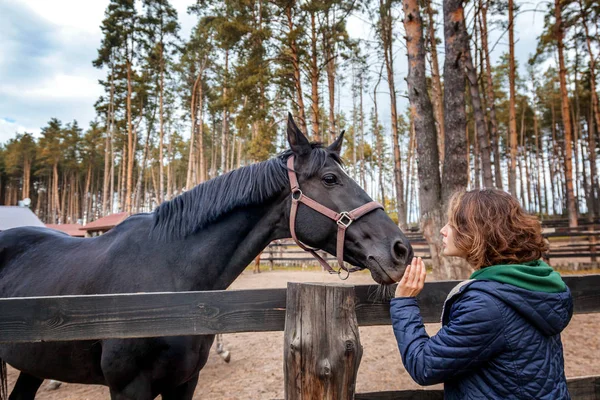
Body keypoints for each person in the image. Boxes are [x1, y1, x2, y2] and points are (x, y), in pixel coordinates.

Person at [391, 188, 573, 399]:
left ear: (477, 232)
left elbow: (424, 365)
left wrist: (403, 302)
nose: (443, 230)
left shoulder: (486, 304)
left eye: (453, 223)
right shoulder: (535, 284)